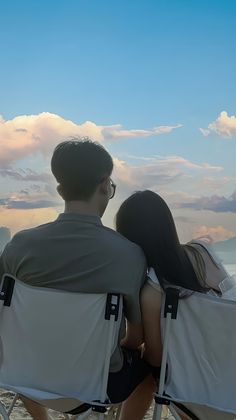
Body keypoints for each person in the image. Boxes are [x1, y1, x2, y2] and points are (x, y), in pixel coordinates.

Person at [0, 140, 153, 420]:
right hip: (98, 386)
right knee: (150, 369)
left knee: (17, 348)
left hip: (24, 376)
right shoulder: (128, 255)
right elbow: (136, 338)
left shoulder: (19, 247)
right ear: (106, 185)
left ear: (60, 190)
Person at [116, 190, 229, 419]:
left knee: (147, 367)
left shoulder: (152, 292)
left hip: (194, 392)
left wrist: (131, 345)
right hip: (230, 377)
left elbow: (157, 358)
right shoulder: (202, 253)